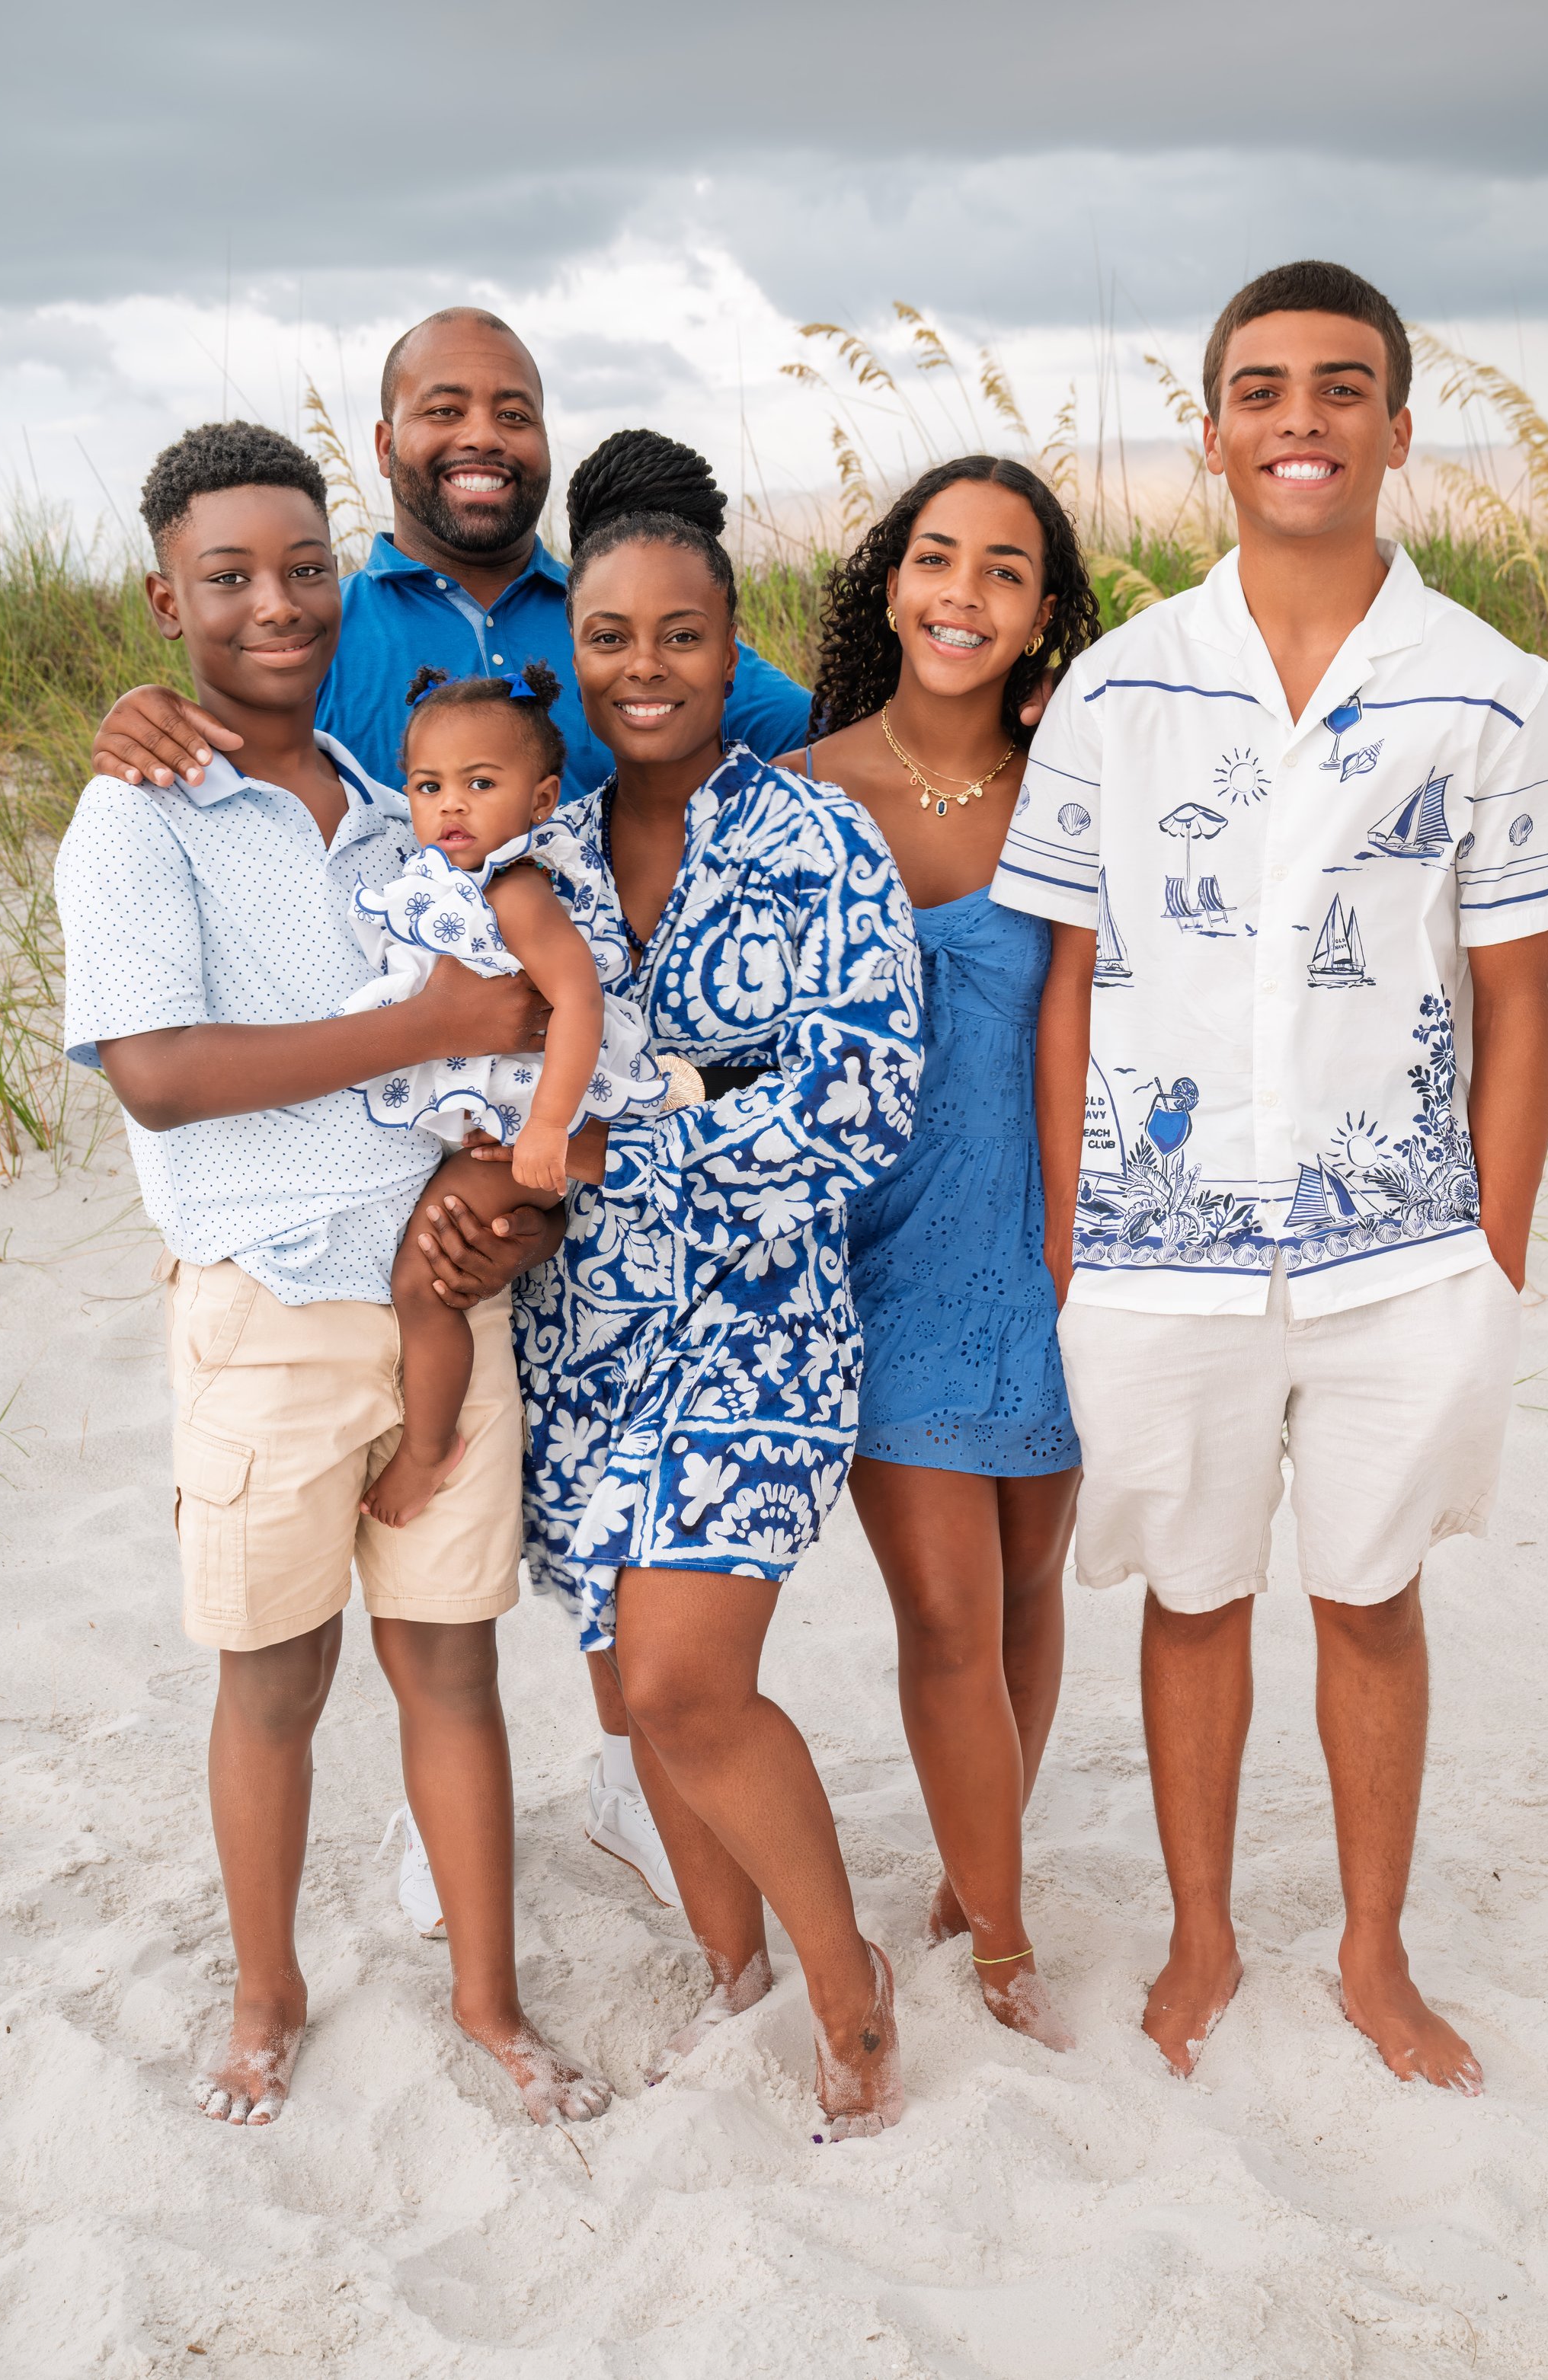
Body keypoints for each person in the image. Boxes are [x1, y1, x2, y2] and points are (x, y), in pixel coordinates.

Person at [996, 259, 1548, 2094]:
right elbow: (1068, 981)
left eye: (1340, 387)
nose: (1301, 417)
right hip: (1158, 1250)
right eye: (1263, 387)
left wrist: (1493, 1248)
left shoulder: (1491, 692)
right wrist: (1076, 1235)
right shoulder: (1118, 682)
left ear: (1396, 430)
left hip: (1405, 1250)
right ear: (1215, 432)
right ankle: (1201, 1931)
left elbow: (1519, 998)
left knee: (1370, 1591)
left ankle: (1376, 1953)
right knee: (1190, 1590)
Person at [54, 420, 608, 2129]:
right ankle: (266, 1988)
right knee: (274, 1672)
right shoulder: (138, 816)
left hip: (434, 1291)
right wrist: (431, 1025)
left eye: (305, 568)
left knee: (451, 1660)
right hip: (269, 1305)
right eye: (229, 577)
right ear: (168, 597)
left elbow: (489, 1057)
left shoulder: (392, 811)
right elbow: (154, 1069)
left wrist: (479, 1172)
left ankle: (489, 1999)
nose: (276, 605)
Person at [498, 456, 924, 2136]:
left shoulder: (816, 835)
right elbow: (475, 1077)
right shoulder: (526, 859)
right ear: (574, 651)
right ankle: (732, 1971)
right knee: (626, 1682)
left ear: (728, 639)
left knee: (683, 1675)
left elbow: (866, 1093)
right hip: (584, 1333)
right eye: (610, 635)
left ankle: (848, 1992)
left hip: (759, 1318)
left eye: (681, 632)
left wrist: (630, 1140)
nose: (646, 664)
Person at [776, 456, 1099, 2049]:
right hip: (875, 1262)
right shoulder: (795, 783)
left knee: (1030, 1584)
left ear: (1044, 614)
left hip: (1053, 1246)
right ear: (888, 583)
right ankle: (1006, 1937)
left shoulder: (1080, 792)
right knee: (944, 1617)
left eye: (1002, 570)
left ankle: (981, 1862)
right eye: (934, 559)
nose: (961, 593)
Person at [85, 311, 811, 804]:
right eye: (444, 410)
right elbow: (227, 762)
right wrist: (144, 715)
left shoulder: (623, 625)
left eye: (515, 415)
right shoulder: (314, 636)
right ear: (382, 447)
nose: (484, 436)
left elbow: (833, 739)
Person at [344, 661, 666, 1526]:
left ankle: (427, 1448)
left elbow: (579, 997)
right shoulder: (442, 879)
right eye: (428, 785)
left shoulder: (515, 886)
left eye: (480, 784)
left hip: (535, 1119)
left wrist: (551, 1128)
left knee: (425, 1279)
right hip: (502, 1111)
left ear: (540, 798)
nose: (451, 806)